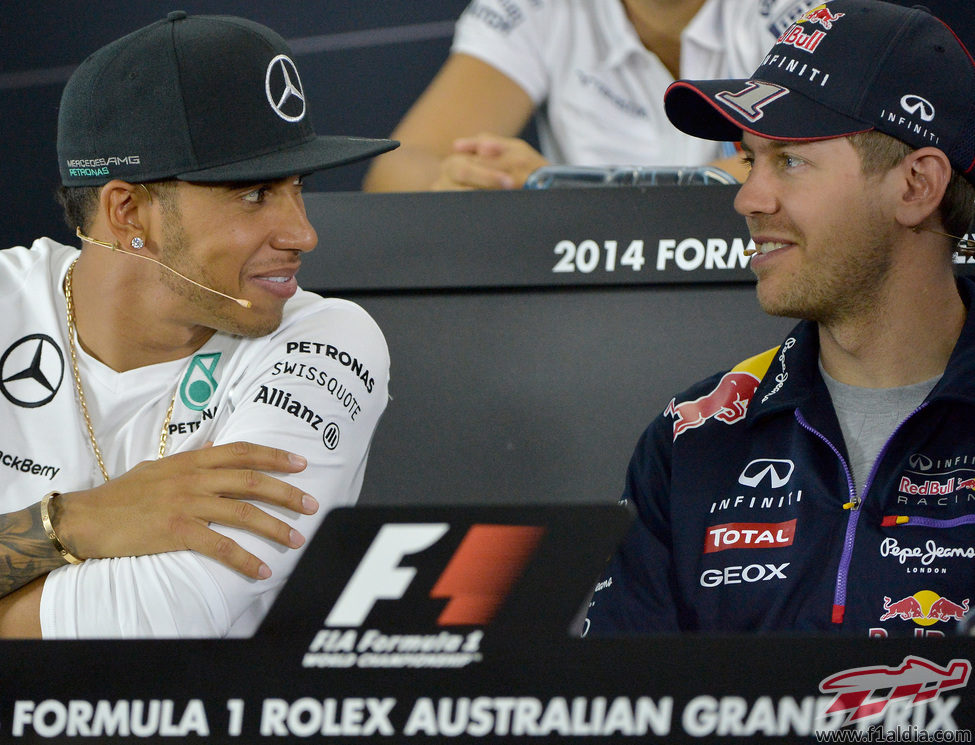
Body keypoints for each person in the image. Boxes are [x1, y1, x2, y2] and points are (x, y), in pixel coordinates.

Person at [0, 12, 398, 638]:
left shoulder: (329, 341)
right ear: (128, 211)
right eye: (255, 193)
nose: (303, 233)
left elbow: (159, 621)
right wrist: (72, 521)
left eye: (298, 188)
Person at [585, 0, 975, 636]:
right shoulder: (693, 440)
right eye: (749, 159)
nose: (748, 198)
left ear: (916, 186)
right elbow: (624, 709)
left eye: (790, 161)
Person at [361, 0, 815, 192]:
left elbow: (813, 161)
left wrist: (561, 187)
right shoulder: (542, 9)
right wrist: (470, 178)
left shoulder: (794, 11)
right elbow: (398, 169)